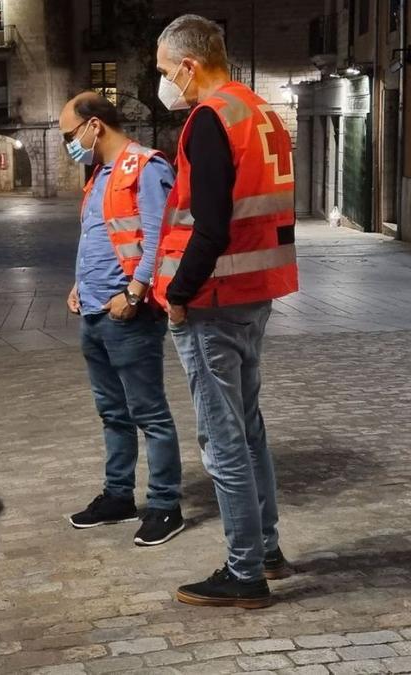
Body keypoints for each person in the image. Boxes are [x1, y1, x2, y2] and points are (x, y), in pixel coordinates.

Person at [151, 14, 300, 608]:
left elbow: (209, 228)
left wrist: (179, 297)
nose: (164, 83)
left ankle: (245, 573)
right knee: (249, 426)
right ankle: (265, 548)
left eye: (165, 71)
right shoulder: (259, 111)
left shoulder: (210, 119)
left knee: (223, 440)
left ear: (189, 65)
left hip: (212, 300)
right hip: (253, 291)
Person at [58, 91, 185, 546]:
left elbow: (159, 238)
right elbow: (99, 236)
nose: (69, 144)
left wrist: (135, 292)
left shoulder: (146, 167)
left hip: (127, 313)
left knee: (149, 413)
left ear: (95, 125)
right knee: (112, 412)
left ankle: (166, 505)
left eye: (70, 134)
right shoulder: (99, 175)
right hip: (93, 311)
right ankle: (118, 496)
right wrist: (79, 284)